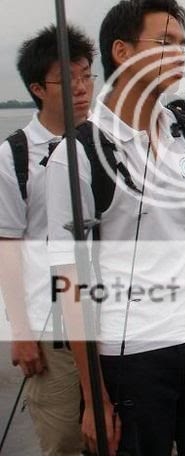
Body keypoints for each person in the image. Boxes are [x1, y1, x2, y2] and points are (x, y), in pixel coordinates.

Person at [45, 0, 185, 455]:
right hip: (129, 354)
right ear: (122, 51)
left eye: (184, 43)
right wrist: (94, 396)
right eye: (165, 42)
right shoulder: (77, 154)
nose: (181, 53)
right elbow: (70, 280)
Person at [0, 24, 94, 455]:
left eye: (87, 75)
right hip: (52, 329)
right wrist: (21, 331)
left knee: (128, 434)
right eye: (67, 79)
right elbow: (8, 246)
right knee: (63, 439)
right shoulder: (14, 156)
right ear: (37, 88)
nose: (82, 88)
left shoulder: (106, 144)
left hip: (112, 320)